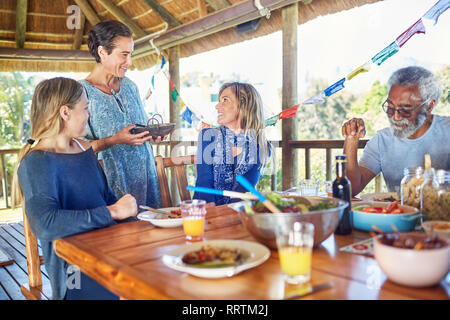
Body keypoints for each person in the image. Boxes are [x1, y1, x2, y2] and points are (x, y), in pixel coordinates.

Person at [11, 77, 137, 300]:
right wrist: (113, 212)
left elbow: (107, 199)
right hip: (73, 272)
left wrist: (140, 225)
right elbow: (46, 224)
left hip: (108, 253)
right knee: (135, 291)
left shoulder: (83, 148)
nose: (89, 114)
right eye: (86, 108)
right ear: (65, 113)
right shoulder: (36, 162)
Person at [80, 20, 162, 208]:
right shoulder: (80, 93)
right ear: (102, 52)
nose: (130, 62)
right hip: (109, 190)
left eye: (130, 54)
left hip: (147, 180)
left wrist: (152, 134)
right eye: (124, 55)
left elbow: (138, 129)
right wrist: (114, 140)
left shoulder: (130, 86)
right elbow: (76, 148)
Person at [341, 66, 450, 196]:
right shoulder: (381, 140)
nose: (396, 117)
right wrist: (351, 140)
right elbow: (351, 188)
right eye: (390, 107)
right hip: (398, 215)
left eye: (405, 109)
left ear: (429, 106)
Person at [193, 82, 272, 205]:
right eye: (219, 100)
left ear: (243, 105)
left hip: (237, 211)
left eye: (225, 100)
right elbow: (204, 184)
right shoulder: (207, 136)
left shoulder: (261, 146)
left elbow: (242, 191)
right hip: (204, 212)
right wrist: (214, 216)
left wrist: (228, 216)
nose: (217, 106)